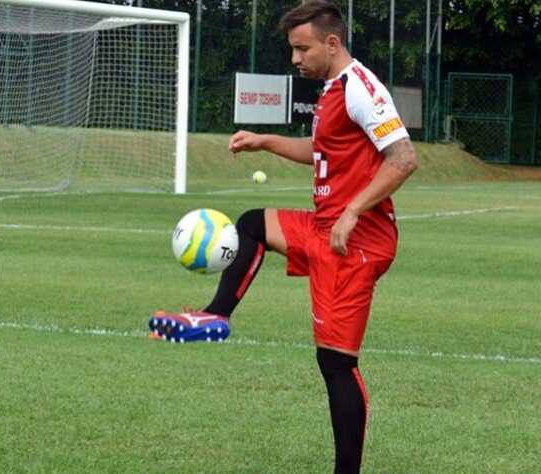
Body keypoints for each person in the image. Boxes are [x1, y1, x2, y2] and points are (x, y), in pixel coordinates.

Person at [149, 1, 418, 472]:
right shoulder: (333, 88)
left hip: (354, 244)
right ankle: (216, 316)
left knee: (336, 364)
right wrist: (265, 140)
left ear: (331, 43)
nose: (295, 58)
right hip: (324, 229)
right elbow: (325, 149)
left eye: (302, 48)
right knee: (252, 223)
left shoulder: (361, 88)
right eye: (293, 48)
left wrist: (353, 211)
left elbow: (403, 158)